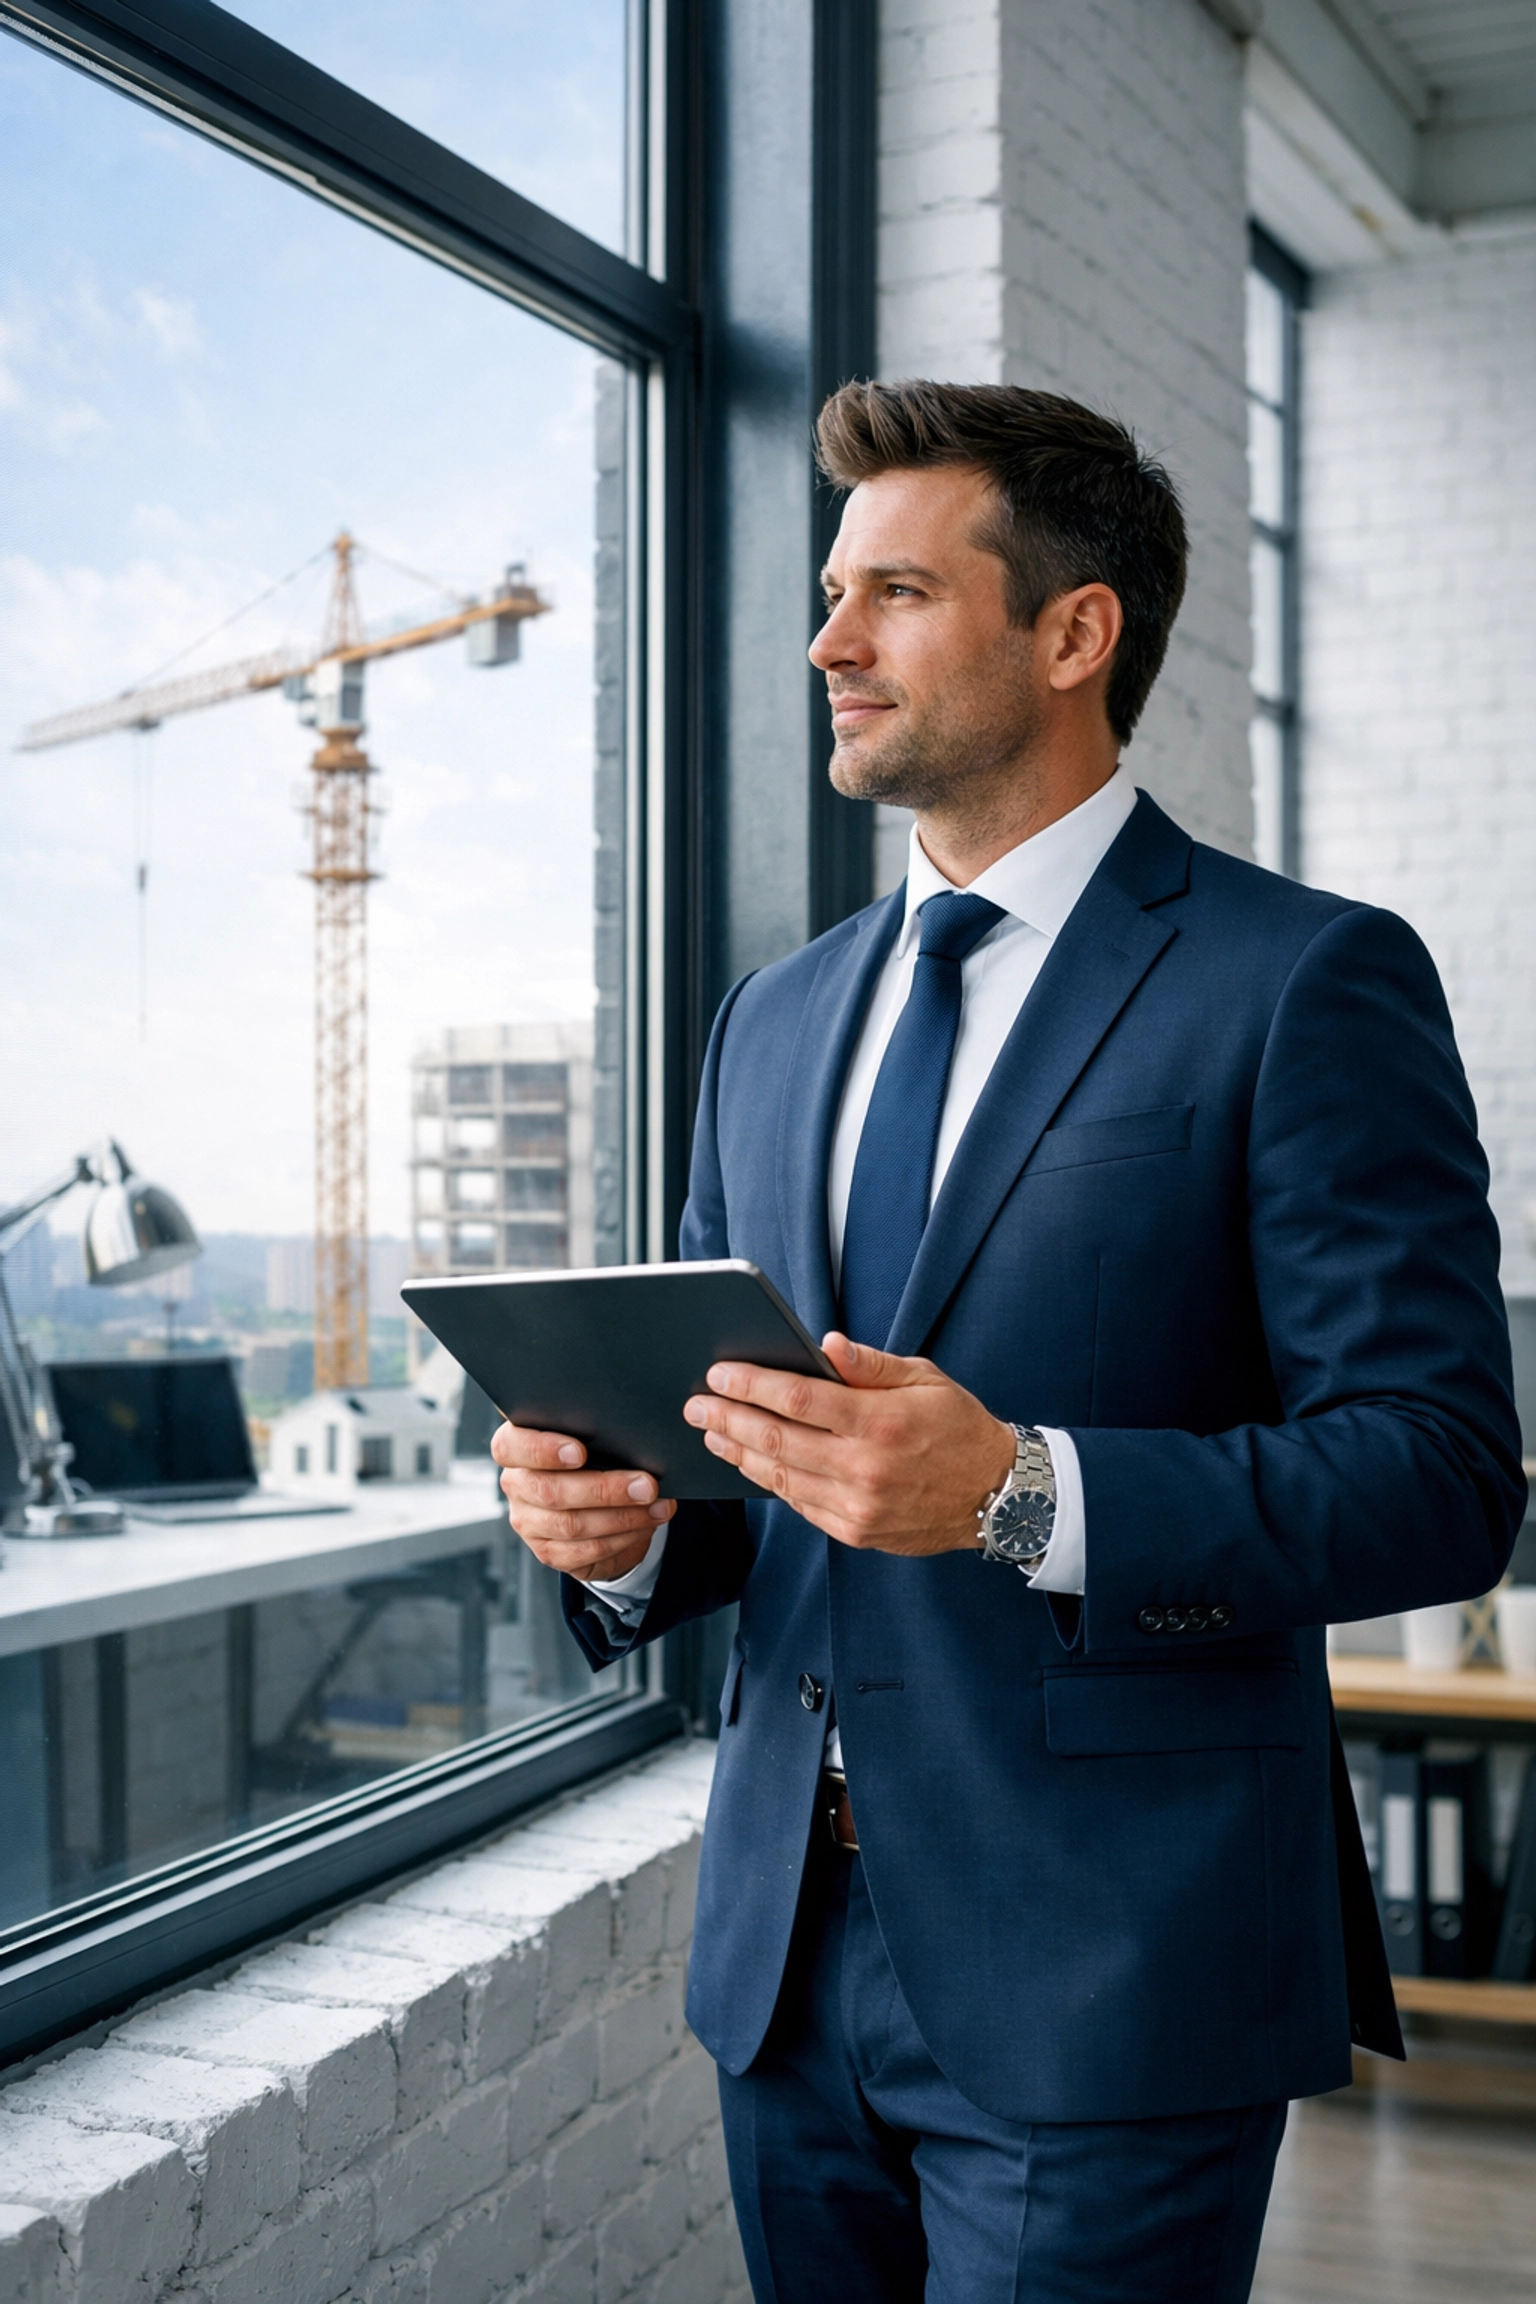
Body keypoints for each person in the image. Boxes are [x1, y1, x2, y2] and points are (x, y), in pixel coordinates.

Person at [494, 381, 1525, 2303]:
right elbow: (754, 1468)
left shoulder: (1302, 977)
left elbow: (1443, 1474)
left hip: (1113, 1959)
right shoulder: (771, 1020)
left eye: (891, 592)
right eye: (828, 591)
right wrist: (631, 1537)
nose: (826, 642)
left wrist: (1025, 1492)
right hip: (783, 1968)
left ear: (1073, 633)